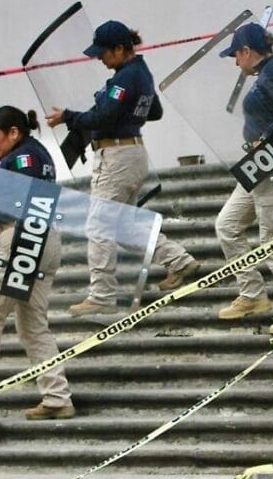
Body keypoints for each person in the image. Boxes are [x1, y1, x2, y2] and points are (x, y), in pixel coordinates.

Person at [45, 21, 200, 316]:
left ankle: (102, 296)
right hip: (130, 152)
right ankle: (178, 260)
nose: (100, 59)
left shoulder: (126, 76)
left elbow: (105, 117)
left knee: (98, 225)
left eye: (103, 53)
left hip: (117, 156)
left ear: (119, 49)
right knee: (124, 226)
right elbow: (154, 111)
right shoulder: (140, 72)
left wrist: (69, 116)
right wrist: (125, 112)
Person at [0, 106, 76, 420]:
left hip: (21, 239)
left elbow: (5, 206)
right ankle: (57, 397)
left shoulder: (21, 159)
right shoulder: (38, 155)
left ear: (14, 132)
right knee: (33, 326)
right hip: (45, 238)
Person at [214, 23, 273, 320]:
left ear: (247, 51)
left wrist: (265, 137)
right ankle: (252, 295)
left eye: (235, 55)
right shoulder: (267, 73)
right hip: (261, 163)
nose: (235, 62)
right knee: (227, 225)